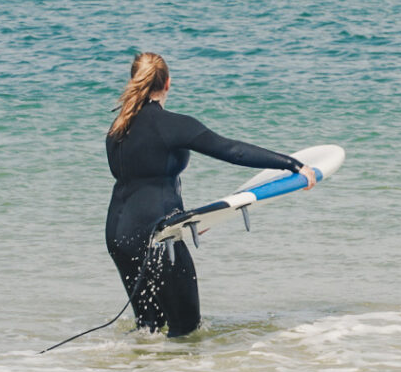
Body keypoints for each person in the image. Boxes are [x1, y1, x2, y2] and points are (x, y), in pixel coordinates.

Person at [106, 52, 316, 337]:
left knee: (149, 328)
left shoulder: (117, 128)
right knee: (186, 330)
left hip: (119, 235)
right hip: (158, 236)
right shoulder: (174, 125)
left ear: (134, 81)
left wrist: (185, 220)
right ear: (167, 83)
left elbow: (144, 183)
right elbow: (232, 151)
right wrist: (292, 164)